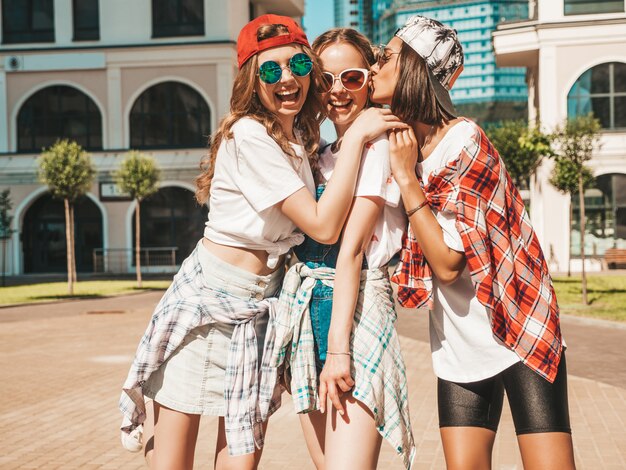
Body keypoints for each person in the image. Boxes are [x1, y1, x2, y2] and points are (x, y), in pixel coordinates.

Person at [118, 14, 406, 470]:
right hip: (207, 303)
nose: (287, 78)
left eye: (297, 64)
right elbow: (324, 227)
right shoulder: (248, 134)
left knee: (241, 457)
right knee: (174, 459)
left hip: (260, 311)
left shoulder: (301, 140)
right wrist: (357, 139)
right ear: (253, 80)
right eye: (271, 70)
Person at [370, 15, 576, 470]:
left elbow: (446, 264)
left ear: (415, 69)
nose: (375, 63)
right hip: (459, 342)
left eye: (388, 55)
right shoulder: (396, 147)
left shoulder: (464, 142)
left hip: (518, 326)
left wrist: (407, 180)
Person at [263, 28, 415, 470]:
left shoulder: (379, 146)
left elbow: (350, 252)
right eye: (326, 79)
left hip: (356, 311)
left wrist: (339, 350)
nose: (337, 91)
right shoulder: (318, 153)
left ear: (370, 80)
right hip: (308, 311)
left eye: (351, 78)